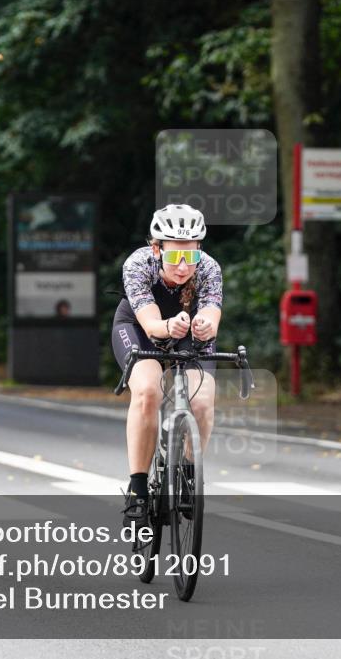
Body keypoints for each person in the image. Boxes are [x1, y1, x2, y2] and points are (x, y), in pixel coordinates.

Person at [110, 204, 222, 528]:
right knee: (147, 391)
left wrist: (205, 326)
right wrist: (168, 326)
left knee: (202, 401)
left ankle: (187, 468)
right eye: (174, 257)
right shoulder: (137, 264)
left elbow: (213, 315)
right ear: (157, 249)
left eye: (192, 255)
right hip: (140, 328)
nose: (184, 265)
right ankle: (138, 488)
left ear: (200, 250)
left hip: (189, 331)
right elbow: (151, 324)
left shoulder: (209, 268)